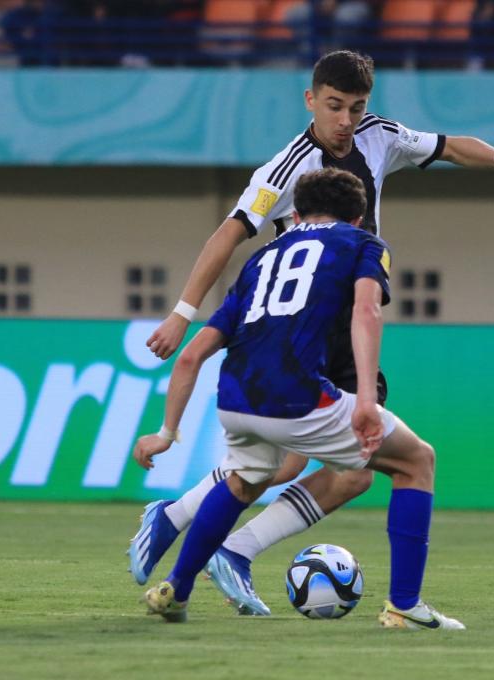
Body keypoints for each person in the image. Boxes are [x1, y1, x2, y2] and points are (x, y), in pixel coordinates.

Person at [129, 49, 494, 617]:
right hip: (310, 328)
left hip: (333, 327)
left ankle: (190, 529)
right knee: (352, 467)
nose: (346, 120)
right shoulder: (283, 170)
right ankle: (225, 543)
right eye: (334, 106)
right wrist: (182, 312)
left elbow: (449, 146)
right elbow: (229, 234)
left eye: (355, 108)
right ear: (311, 100)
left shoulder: (380, 135)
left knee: (305, 470)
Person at [134, 167, 464, 630]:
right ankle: (404, 606)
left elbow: (191, 356)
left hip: (236, 402)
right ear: (361, 215)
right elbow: (366, 311)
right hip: (301, 398)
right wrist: (366, 400)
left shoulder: (260, 259)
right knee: (416, 462)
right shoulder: (364, 244)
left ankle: (176, 589)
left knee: (245, 479)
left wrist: (166, 433)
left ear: (296, 212)